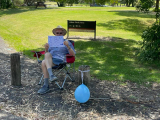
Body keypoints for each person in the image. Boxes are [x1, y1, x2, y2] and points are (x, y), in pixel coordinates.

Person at [38, 25, 76, 94]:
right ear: (54, 34)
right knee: (46, 56)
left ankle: (46, 85)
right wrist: (46, 48)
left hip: (60, 61)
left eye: (60, 33)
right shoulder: (51, 42)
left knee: (43, 62)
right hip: (50, 60)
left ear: (63, 34)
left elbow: (73, 54)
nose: (58, 34)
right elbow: (47, 54)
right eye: (57, 33)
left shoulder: (66, 42)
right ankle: (51, 76)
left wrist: (67, 46)